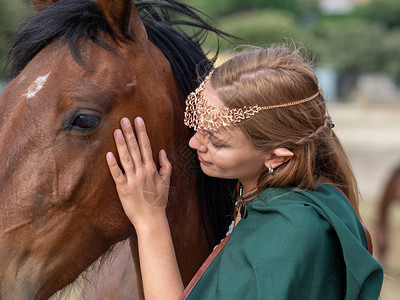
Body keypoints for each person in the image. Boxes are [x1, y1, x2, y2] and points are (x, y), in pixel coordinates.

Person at [106, 45, 383, 299]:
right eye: (198, 124)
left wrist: (149, 220)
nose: (193, 143)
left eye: (216, 141)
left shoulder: (289, 235)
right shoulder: (268, 194)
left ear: (276, 155)